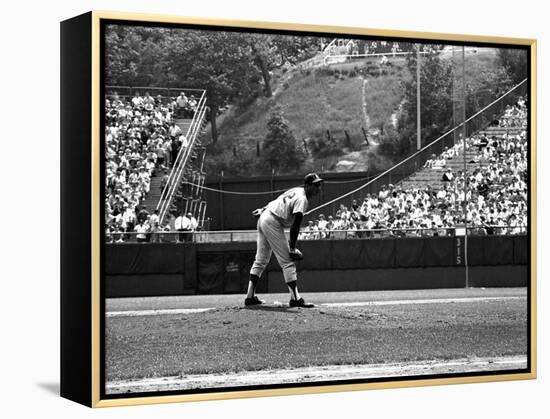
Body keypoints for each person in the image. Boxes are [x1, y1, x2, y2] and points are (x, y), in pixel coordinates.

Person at [244, 173, 323, 308]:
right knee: (287, 261)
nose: (318, 187)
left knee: (261, 260)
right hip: (272, 221)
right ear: (307, 186)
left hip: (265, 216)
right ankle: (295, 298)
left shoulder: (296, 191)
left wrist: (263, 209)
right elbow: (296, 225)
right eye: (315, 185)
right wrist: (292, 247)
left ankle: (250, 296)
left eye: (319, 184)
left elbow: (277, 201)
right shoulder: (302, 199)